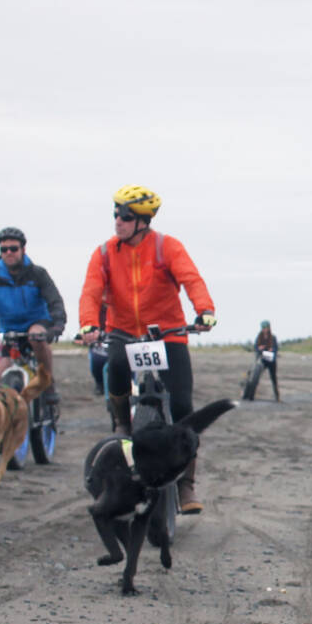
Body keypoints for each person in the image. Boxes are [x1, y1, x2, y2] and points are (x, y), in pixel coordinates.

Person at [78, 185, 217, 512]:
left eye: (125, 216)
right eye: (115, 214)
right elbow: (91, 291)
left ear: (143, 221)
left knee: (183, 406)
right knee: (114, 366)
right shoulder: (104, 253)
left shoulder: (167, 247)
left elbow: (191, 280)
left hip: (167, 333)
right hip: (123, 331)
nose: (118, 221)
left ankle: (186, 484)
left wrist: (205, 310)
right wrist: (88, 323)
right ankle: (121, 423)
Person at [0, 226, 67, 416]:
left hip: (37, 321)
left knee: (37, 337)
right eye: (4, 249)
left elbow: (55, 301)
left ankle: (48, 381)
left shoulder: (38, 273)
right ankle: (6, 417)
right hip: (8, 327)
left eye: (13, 248)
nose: (8, 253)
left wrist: (57, 326)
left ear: (23, 250)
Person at [253, 319, 281, 401]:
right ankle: (252, 394)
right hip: (262, 360)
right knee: (256, 376)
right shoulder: (259, 337)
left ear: (269, 328)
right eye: (263, 328)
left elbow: (276, 349)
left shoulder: (273, 337)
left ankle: (277, 396)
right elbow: (255, 347)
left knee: (273, 378)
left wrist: (272, 350)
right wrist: (259, 349)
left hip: (271, 360)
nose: (265, 329)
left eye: (266, 327)